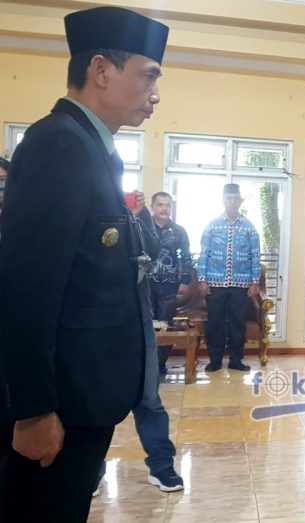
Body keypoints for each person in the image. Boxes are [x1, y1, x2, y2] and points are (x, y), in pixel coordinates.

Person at [0, 6, 169, 521]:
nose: (155, 94)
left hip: (84, 398)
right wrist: (33, 410)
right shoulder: (60, 145)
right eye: (147, 76)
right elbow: (27, 286)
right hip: (61, 405)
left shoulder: (90, 147)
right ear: (100, 70)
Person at [94, 192, 184, 496]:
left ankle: (161, 467)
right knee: (94, 399)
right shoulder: (83, 211)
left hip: (138, 315)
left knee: (149, 397)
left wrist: (140, 216)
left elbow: (153, 249)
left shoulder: (135, 216)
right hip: (96, 319)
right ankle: (91, 469)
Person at [197, 183, 261, 372]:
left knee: (237, 323)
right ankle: (214, 360)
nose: (232, 202)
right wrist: (202, 279)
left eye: (235, 198)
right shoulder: (212, 225)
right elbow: (204, 253)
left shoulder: (249, 227)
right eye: (229, 198)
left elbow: (255, 255)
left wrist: (255, 282)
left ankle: (236, 359)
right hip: (215, 283)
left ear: (240, 201)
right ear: (223, 200)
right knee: (215, 322)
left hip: (241, 284)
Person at [148, 191, 192, 373]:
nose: (164, 208)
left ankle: (160, 364)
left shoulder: (179, 231)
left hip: (170, 286)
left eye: (167, 205)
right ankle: (146, 364)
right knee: (146, 324)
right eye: (160, 205)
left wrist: (186, 281)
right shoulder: (143, 227)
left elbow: (186, 257)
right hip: (145, 286)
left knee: (165, 325)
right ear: (152, 207)